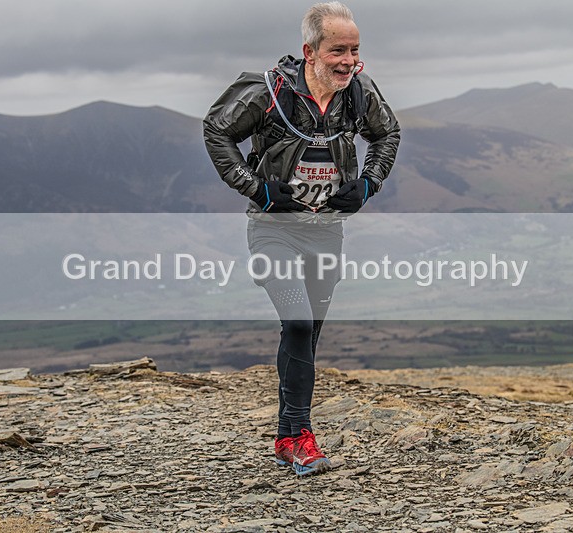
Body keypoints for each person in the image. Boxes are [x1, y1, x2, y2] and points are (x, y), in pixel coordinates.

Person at [203, 1, 399, 476]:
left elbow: (388, 134)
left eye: (355, 50)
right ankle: (300, 435)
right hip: (274, 231)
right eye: (338, 50)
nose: (349, 61)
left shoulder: (359, 93)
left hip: (326, 233)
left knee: (307, 333)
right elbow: (216, 130)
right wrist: (258, 190)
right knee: (296, 322)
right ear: (310, 51)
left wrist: (368, 183)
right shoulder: (269, 94)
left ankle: (288, 436)